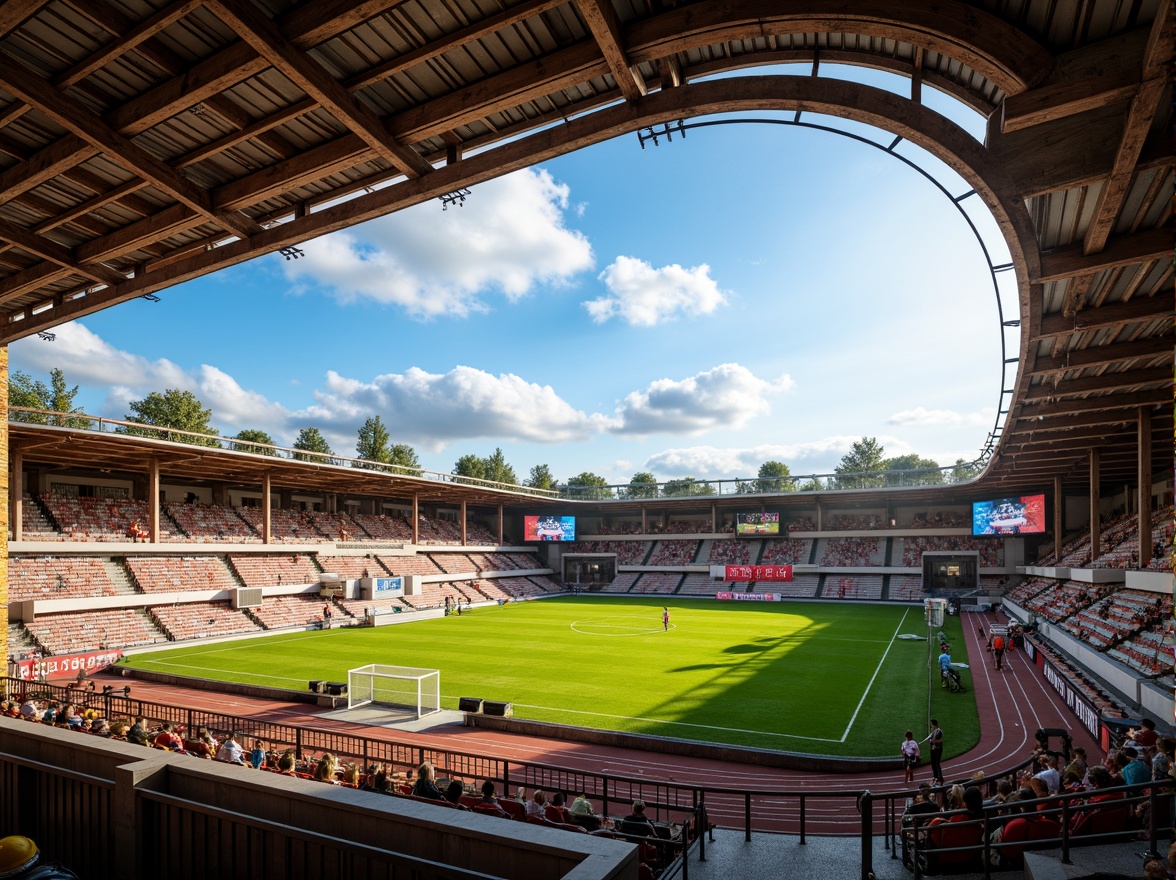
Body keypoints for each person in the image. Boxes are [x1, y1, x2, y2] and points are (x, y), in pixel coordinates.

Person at [927, 719, 944, 784]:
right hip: (933, 749)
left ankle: (940, 777)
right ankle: (935, 776)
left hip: (938, 749)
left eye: (931, 724)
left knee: (937, 762)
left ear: (934, 724)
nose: (931, 726)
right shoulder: (934, 732)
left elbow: (936, 740)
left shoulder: (939, 731)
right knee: (932, 762)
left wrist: (931, 740)